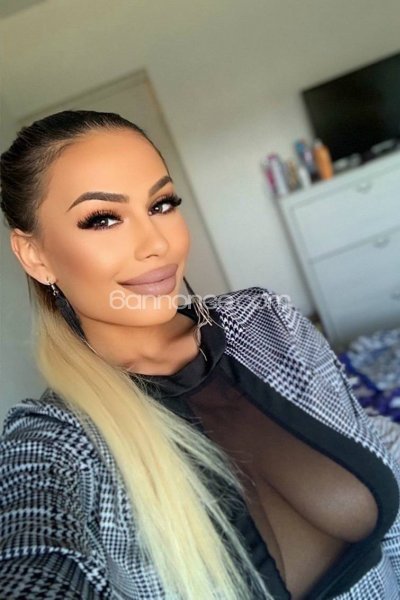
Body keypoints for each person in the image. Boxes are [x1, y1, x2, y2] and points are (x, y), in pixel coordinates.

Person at [0, 110, 399, 600]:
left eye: (162, 204)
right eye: (102, 218)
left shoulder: (267, 320)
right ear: (35, 255)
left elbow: (377, 470)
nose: (157, 243)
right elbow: (35, 558)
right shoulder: (55, 443)